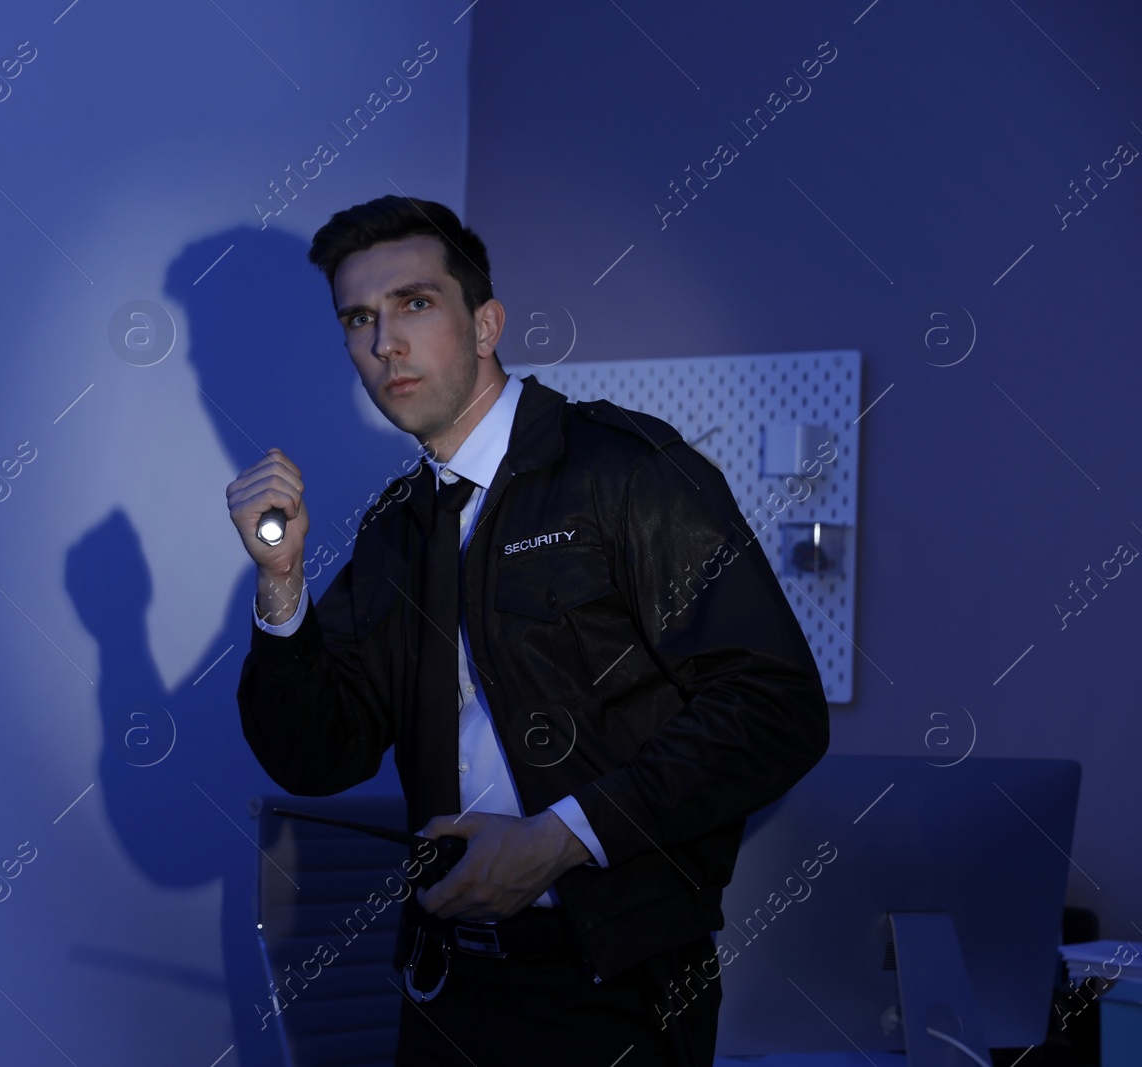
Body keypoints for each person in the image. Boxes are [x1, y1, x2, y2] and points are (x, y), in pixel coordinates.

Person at [225, 194, 830, 1066]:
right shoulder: (396, 527)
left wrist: (559, 839)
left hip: (615, 988)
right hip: (444, 986)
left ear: (485, 323)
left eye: (415, 304)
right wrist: (280, 585)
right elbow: (317, 754)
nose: (383, 342)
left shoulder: (624, 469)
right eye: (358, 319)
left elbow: (774, 705)